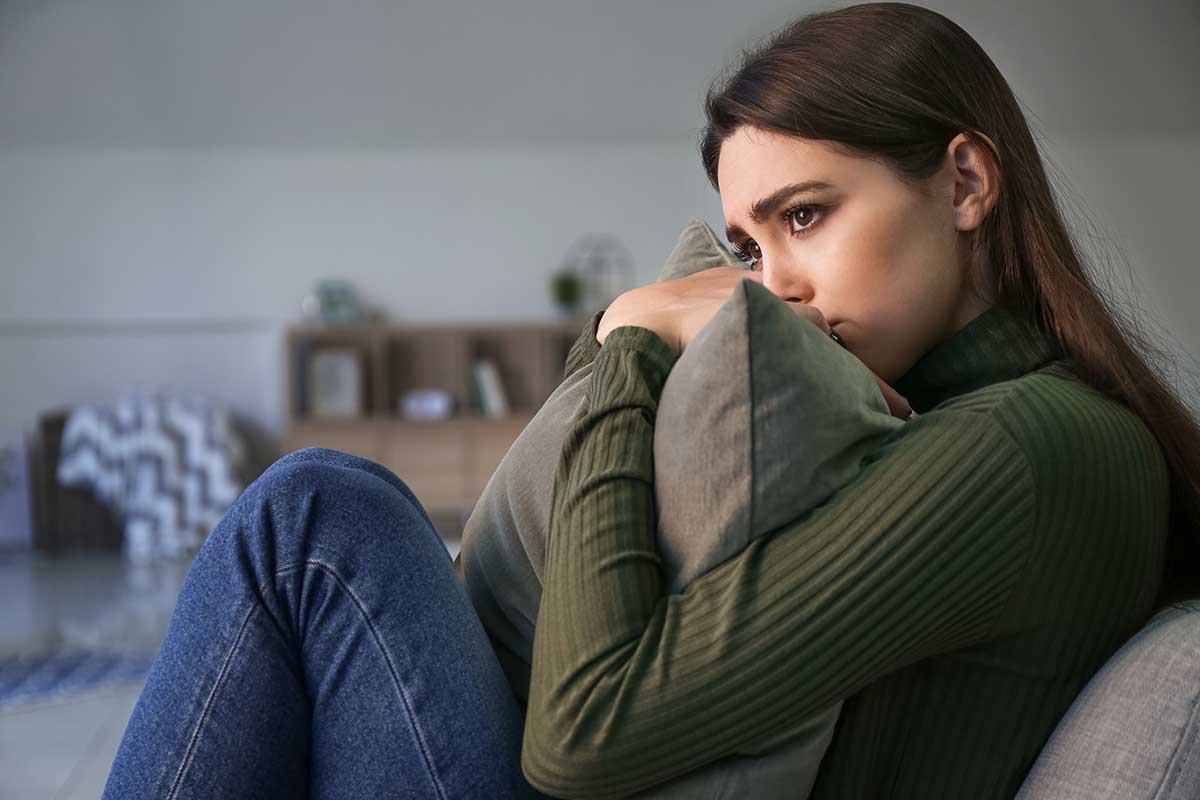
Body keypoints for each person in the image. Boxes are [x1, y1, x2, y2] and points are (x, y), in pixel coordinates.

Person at [104, 3, 1200, 798]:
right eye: (749, 248)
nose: (773, 288)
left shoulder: (1031, 446)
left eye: (806, 216)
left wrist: (630, 340)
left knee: (313, 521)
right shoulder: (904, 417)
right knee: (332, 514)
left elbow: (582, 735)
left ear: (965, 183)